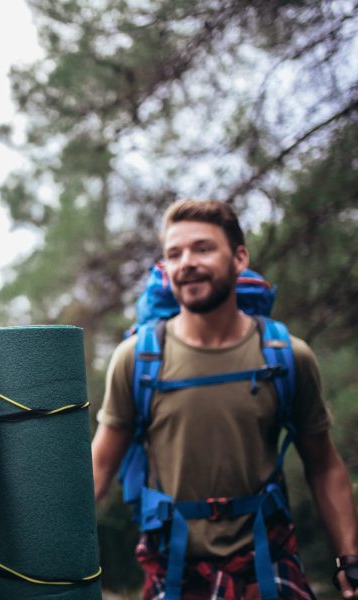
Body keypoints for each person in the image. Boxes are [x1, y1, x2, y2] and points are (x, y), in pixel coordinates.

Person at [91, 199, 358, 599]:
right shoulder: (138, 360)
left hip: (266, 561)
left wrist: (349, 560)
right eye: (174, 254)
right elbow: (99, 467)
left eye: (202, 248)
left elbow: (324, 466)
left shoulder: (286, 356)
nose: (187, 263)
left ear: (239, 257)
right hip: (175, 568)